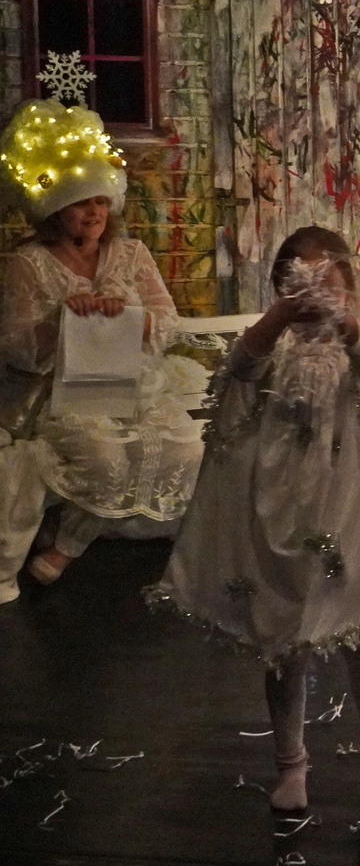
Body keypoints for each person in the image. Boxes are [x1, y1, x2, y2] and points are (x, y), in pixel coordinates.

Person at [147, 227, 360, 811]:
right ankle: (291, 762)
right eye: (301, 285)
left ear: (348, 290)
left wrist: (341, 321)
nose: (315, 299)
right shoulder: (274, 348)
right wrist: (278, 318)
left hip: (344, 514)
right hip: (282, 512)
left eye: (329, 285)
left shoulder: (354, 347)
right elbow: (241, 366)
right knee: (284, 642)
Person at [0, 99, 199, 589]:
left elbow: (167, 320)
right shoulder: (28, 263)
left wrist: (129, 315)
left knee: (184, 451)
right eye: (80, 202)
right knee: (104, 457)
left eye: (100, 202)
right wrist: (63, 319)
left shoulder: (131, 253)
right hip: (65, 391)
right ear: (55, 207)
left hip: (136, 384)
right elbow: (15, 345)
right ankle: (66, 549)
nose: (93, 213)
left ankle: (67, 543)